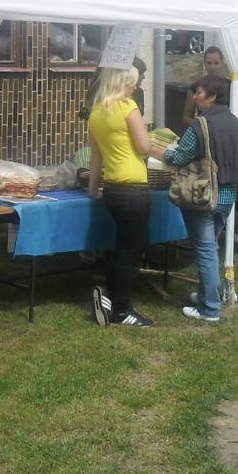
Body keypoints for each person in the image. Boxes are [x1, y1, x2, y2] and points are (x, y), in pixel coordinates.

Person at [152, 74, 238, 322]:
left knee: (205, 251)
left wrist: (151, 148)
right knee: (210, 248)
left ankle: (210, 309)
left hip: (203, 195)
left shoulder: (200, 124)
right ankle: (208, 296)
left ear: (212, 96)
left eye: (199, 93)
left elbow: (178, 156)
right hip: (227, 197)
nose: (194, 97)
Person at [87, 67, 155, 326]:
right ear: (123, 82)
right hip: (133, 188)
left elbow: (96, 157)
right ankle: (122, 310)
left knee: (122, 246)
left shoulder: (96, 112)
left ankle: (110, 298)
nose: (135, 87)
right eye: (132, 83)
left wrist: (93, 188)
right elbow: (144, 146)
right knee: (130, 249)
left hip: (112, 188)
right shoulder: (128, 107)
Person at [182, 46, 227, 124]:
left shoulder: (231, 86)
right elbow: (186, 117)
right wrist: (202, 126)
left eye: (216, 63)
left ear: (222, 63)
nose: (212, 67)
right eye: (209, 63)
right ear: (204, 64)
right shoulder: (196, 86)